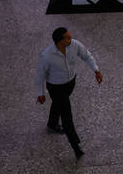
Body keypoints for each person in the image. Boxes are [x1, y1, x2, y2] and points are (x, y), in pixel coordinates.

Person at [35, 27, 103, 160]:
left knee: (58, 104)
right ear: (60, 41)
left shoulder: (74, 45)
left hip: (70, 83)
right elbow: (40, 76)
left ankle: (52, 123)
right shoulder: (47, 56)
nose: (71, 39)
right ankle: (75, 145)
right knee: (67, 116)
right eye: (68, 37)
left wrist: (96, 70)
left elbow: (86, 55)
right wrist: (41, 93)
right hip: (56, 88)